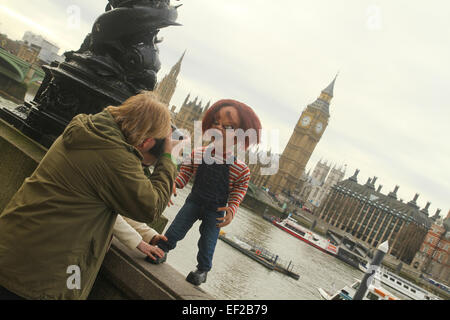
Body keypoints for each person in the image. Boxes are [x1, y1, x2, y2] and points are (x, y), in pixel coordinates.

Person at [0, 91, 178, 300]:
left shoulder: (90, 130)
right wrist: (168, 158)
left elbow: (103, 200)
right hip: (39, 276)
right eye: (144, 162)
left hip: (13, 248)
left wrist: (143, 234)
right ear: (146, 143)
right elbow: (151, 207)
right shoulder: (114, 156)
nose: (141, 167)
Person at [150, 99, 262, 286]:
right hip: (194, 201)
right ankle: (161, 250)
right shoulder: (198, 153)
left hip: (216, 210)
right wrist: (173, 185)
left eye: (228, 127)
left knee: (208, 241)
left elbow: (239, 190)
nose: (218, 129)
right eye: (216, 123)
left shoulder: (240, 168)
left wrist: (232, 209)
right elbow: (184, 174)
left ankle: (202, 270)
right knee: (176, 228)